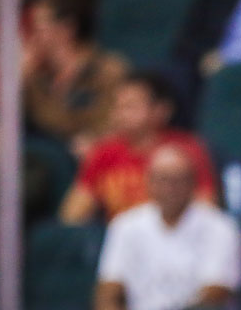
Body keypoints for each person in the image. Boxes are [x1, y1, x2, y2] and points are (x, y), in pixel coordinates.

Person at [92, 145, 241, 310]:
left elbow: (215, 295)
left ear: (193, 184)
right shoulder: (125, 226)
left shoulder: (221, 227)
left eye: (178, 180)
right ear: (148, 183)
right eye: (162, 180)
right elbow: (109, 285)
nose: (169, 188)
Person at [59, 71, 217, 224]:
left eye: (130, 107)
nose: (120, 114)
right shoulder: (105, 152)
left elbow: (206, 211)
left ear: (161, 111)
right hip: (121, 242)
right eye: (118, 107)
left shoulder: (186, 151)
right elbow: (71, 216)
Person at [23, 0, 128, 157]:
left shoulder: (110, 69)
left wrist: (98, 142)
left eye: (38, 28)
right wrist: (20, 76)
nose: (31, 36)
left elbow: (120, 123)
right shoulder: (34, 73)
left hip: (96, 158)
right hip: (48, 156)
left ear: (66, 28)